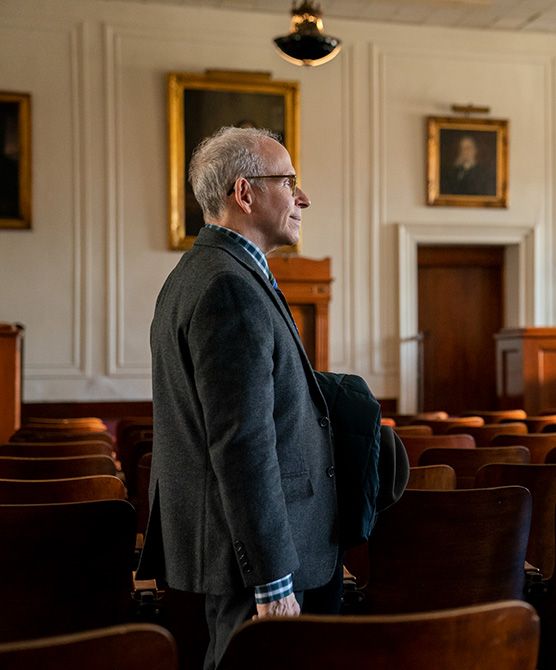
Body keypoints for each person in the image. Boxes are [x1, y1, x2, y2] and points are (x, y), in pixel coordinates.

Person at [136, 126, 391, 669]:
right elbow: (241, 443)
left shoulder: (205, 272)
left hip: (243, 549)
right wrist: (273, 578)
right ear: (244, 193)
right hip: (255, 559)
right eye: (288, 181)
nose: (302, 197)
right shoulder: (228, 285)